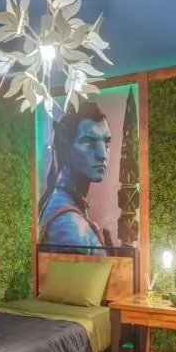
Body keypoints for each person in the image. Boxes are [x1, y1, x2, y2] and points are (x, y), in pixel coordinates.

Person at [38, 101, 112, 254]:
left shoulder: (65, 206)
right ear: (64, 139)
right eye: (88, 143)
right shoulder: (70, 227)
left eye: (106, 144)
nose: (103, 155)